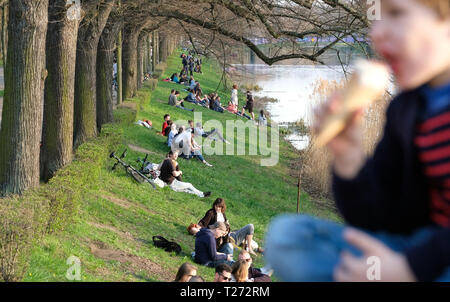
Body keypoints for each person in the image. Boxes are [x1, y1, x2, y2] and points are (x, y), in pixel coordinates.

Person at [264, 0, 450, 282]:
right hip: (418, 250)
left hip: (429, 262)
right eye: (375, 18)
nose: (377, 33)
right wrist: (348, 155)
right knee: (288, 238)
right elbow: (379, 220)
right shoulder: (407, 108)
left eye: (397, 13)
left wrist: (409, 270)